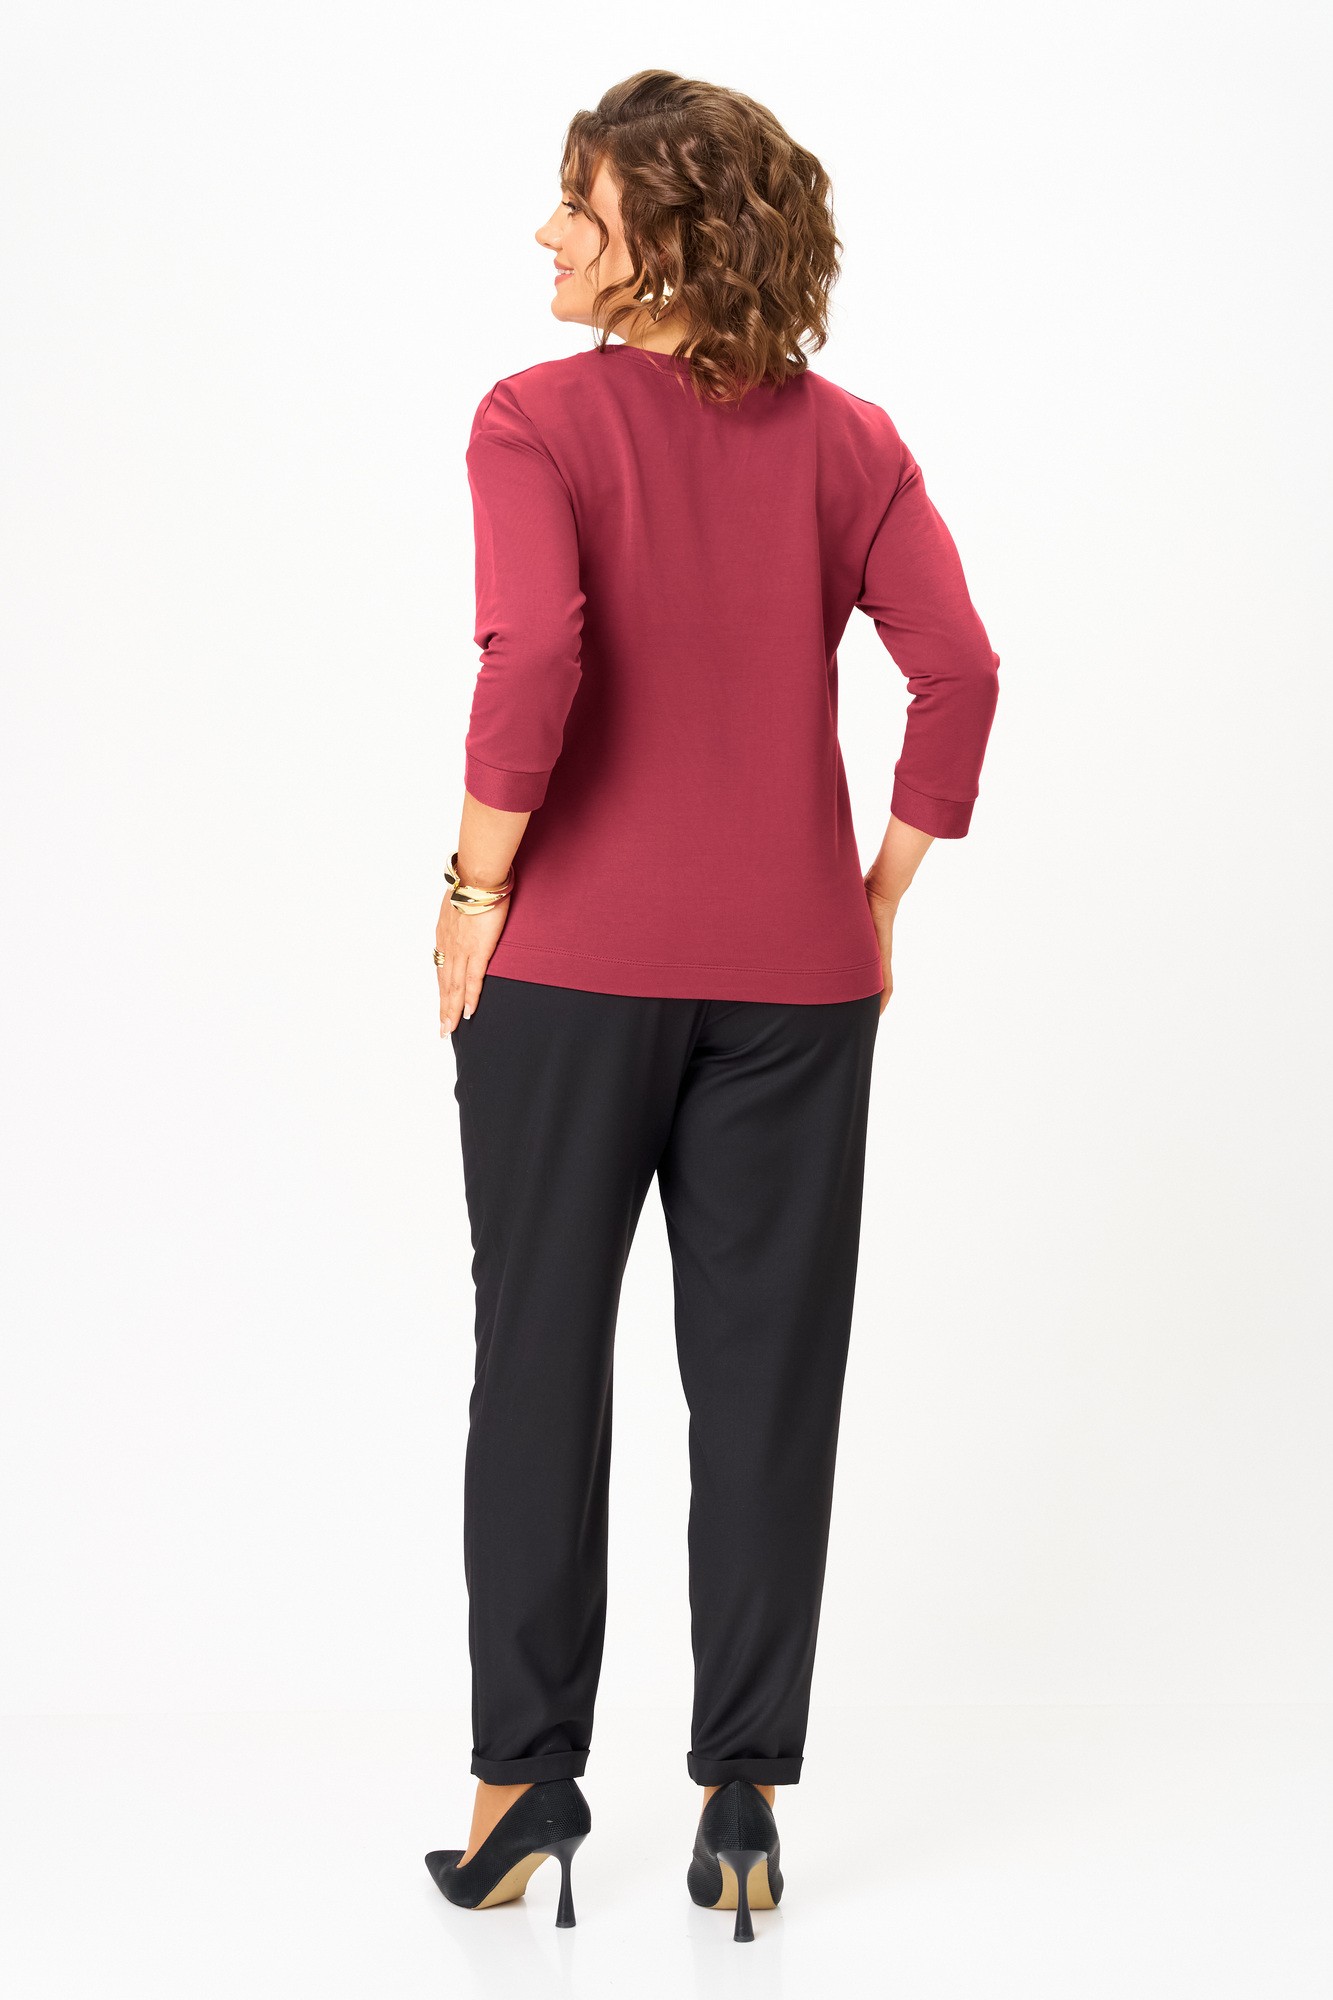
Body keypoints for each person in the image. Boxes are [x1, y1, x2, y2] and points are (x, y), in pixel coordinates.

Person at [424, 69, 1000, 1942]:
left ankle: (523, 1790)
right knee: (766, 1382)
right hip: (797, 986)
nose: (545, 230)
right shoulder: (851, 443)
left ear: (661, 237)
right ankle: (740, 1799)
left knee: (538, 1363)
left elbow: (534, 654)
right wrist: (876, 893)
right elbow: (958, 671)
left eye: (576, 200)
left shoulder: (534, 420)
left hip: (567, 972)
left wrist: (471, 890)